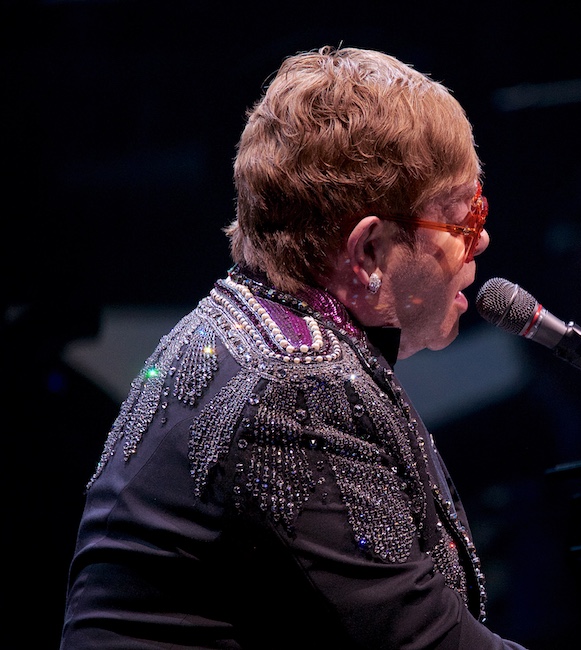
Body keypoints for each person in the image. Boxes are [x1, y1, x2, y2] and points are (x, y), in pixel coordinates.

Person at [61, 45, 529, 649]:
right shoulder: (293, 387)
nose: (481, 238)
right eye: (460, 219)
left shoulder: (248, 335)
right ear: (367, 254)